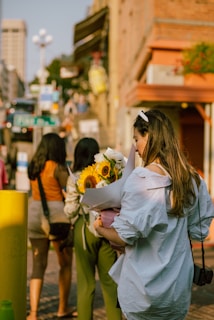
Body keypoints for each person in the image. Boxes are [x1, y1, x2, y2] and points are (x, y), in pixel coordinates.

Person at [94, 109, 214, 320]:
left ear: (149, 136)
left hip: (141, 292)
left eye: (136, 139)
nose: (135, 147)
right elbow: (199, 231)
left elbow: (124, 237)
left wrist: (100, 229)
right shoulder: (193, 179)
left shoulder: (141, 180)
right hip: (176, 290)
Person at [64, 137, 122, 320]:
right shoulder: (108, 174)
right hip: (107, 230)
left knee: (86, 284)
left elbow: (70, 211)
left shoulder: (76, 178)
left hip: (84, 233)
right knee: (110, 283)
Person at [27, 133, 76, 320]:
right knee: (65, 263)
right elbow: (69, 190)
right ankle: (62, 308)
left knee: (38, 265)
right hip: (56, 216)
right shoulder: (58, 168)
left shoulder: (34, 168)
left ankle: (33, 313)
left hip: (35, 214)